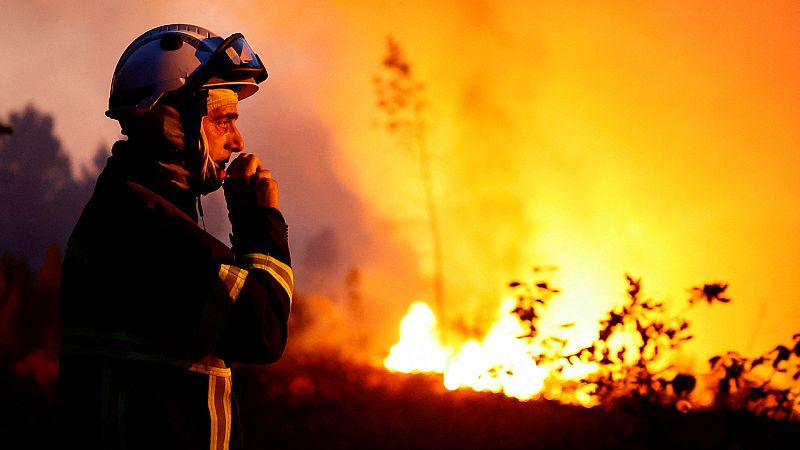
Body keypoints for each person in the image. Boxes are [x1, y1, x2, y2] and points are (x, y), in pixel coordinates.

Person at [59, 24, 293, 449]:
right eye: (223, 122)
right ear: (170, 122)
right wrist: (259, 221)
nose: (238, 141)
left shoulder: (134, 209)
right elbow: (263, 331)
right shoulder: (143, 229)